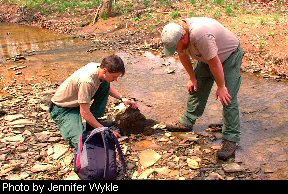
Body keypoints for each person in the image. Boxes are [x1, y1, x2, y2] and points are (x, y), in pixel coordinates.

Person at [161, 17, 244, 160]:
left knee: (227, 97)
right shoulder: (179, 35)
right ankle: (187, 122)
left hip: (228, 56)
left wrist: (221, 86)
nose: (176, 51)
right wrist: (192, 77)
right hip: (208, 57)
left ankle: (231, 139)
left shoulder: (201, 36)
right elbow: (182, 54)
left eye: (176, 47)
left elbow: (215, 62)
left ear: (184, 37)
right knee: (196, 86)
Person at [49, 54, 137, 148]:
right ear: (105, 71)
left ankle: (92, 122)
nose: (116, 80)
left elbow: (108, 87)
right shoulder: (87, 81)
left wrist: (122, 98)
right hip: (63, 109)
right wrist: (104, 130)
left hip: (77, 104)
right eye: (114, 77)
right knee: (81, 140)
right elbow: (84, 113)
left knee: (105, 84)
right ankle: (87, 124)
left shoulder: (99, 67)